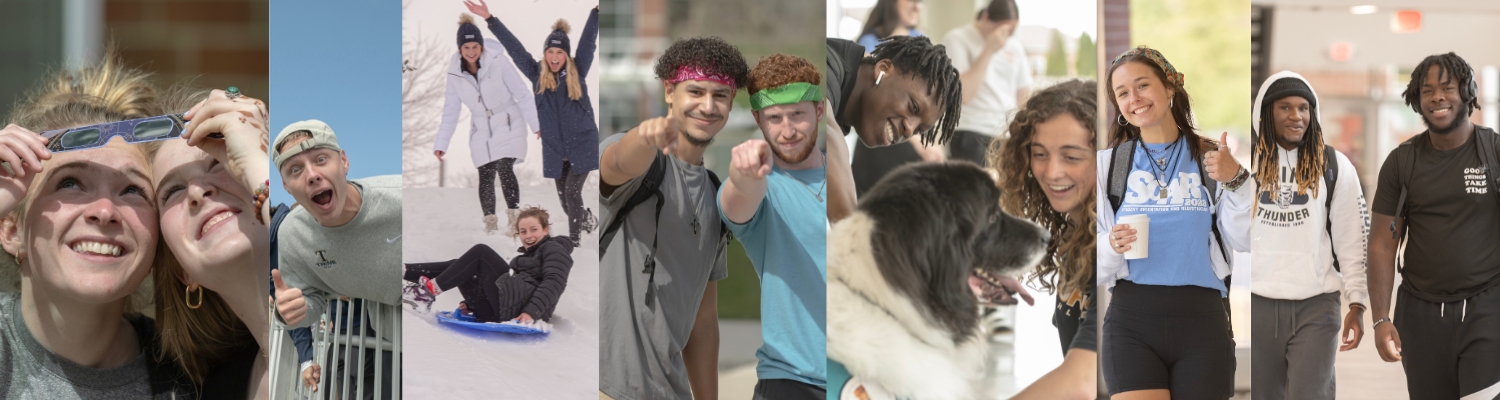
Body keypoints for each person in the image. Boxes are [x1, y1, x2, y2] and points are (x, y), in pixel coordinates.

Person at [0, 54, 196, 398]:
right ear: (11, 230)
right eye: (70, 183)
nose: (105, 211)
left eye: (133, 190)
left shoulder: (195, 377)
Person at [597, 36, 747, 400]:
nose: (707, 106)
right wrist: (642, 137)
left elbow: (703, 320)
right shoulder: (641, 159)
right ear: (669, 92)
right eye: (694, 91)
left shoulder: (715, 195)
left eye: (720, 95)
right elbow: (615, 163)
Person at [1098, 46, 1252, 399]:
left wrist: (1238, 181)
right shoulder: (1108, 166)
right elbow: (1087, 260)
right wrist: (1110, 244)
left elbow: (1244, 240)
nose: (1133, 98)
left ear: (1170, 88)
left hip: (1202, 320)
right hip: (1131, 321)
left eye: (1142, 85)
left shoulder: (1213, 158)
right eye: (1122, 93)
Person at [1367, 52, 1500, 400]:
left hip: (1487, 306)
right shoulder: (1402, 161)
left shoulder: (1494, 152)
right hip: (1420, 314)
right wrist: (1381, 318)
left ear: (1467, 92)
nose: (1437, 97)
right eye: (1427, 91)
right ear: (1417, 99)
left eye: (1447, 87)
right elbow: (1382, 243)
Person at [148, 86, 281, 398]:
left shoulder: (381, 319)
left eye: (222, 162)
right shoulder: (216, 390)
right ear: (184, 271)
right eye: (173, 192)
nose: (197, 191)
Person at [1248, 71, 1370, 400]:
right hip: (1257, 304)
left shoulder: (1333, 164)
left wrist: (1357, 301)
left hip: (1317, 305)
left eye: (1304, 108)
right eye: (1285, 107)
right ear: (1266, 113)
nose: (1296, 116)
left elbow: (1352, 237)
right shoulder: (1247, 166)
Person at [718, 54, 827, 399]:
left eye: (798, 114)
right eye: (774, 118)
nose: (788, 129)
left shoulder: (849, 176)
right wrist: (744, 172)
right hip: (791, 381)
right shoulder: (764, 187)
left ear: (819, 110)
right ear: (758, 119)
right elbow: (738, 197)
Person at [271, 119, 401, 399]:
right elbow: (310, 302)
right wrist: (291, 312)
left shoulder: (401, 198)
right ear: (285, 185)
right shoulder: (291, 234)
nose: (312, 175)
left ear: (343, 160)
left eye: (321, 159)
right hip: (388, 334)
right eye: (295, 169)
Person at [987, 79, 1096, 399]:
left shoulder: (1123, 244)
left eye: (1072, 157)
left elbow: (1083, 382)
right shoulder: (1078, 240)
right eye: (1039, 154)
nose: (1051, 172)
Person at [464, 0, 601, 246]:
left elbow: (588, 42)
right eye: (550, 51)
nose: (554, 56)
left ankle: (574, 242)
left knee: (572, 192)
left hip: (582, 142)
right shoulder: (537, 75)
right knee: (565, 201)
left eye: (560, 52)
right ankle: (587, 219)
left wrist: (597, 13)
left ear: (566, 55)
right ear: (545, 53)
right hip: (556, 147)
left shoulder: (577, 72)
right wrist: (490, 19)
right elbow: (514, 48)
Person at [823, 34, 962, 222]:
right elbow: (826, 130)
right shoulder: (824, 65)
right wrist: (853, 240)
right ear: (884, 69)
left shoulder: (841, 103)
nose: (909, 129)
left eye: (920, 129)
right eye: (913, 107)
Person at [434, 12, 542, 236]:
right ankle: (491, 225)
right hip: (480, 126)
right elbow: (451, 110)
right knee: (485, 173)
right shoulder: (455, 74)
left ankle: (514, 221)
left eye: (475, 46)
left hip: (508, 118)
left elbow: (522, 93)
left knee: (504, 165)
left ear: (481, 46)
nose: (472, 51)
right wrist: (441, 142)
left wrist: (536, 124)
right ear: (460, 49)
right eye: (467, 48)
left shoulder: (498, 62)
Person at [402, 206, 574, 324]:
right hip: (500, 310)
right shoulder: (527, 257)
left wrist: (531, 312)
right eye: (523, 231)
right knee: (460, 267)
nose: (528, 235)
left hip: (520, 311)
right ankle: (402, 271)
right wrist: (469, 303)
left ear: (546, 230)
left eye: (534, 229)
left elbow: (554, 282)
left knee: (481, 253)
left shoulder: (554, 248)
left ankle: (425, 294)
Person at [943, 0, 1031, 166]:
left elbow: (1023, 94)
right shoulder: (957, 39)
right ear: (985, 18)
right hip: (971, 131)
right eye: (1002, 29)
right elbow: (964, 95)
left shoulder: (1014, 46)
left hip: (1005, 134)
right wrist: (989, 49)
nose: (1006, 35)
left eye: (1011, 30)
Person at [857, 0, 924, 54]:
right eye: (911, 0)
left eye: (920, 1)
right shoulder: (868, 41)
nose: (918, 7)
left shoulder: (920, 37)